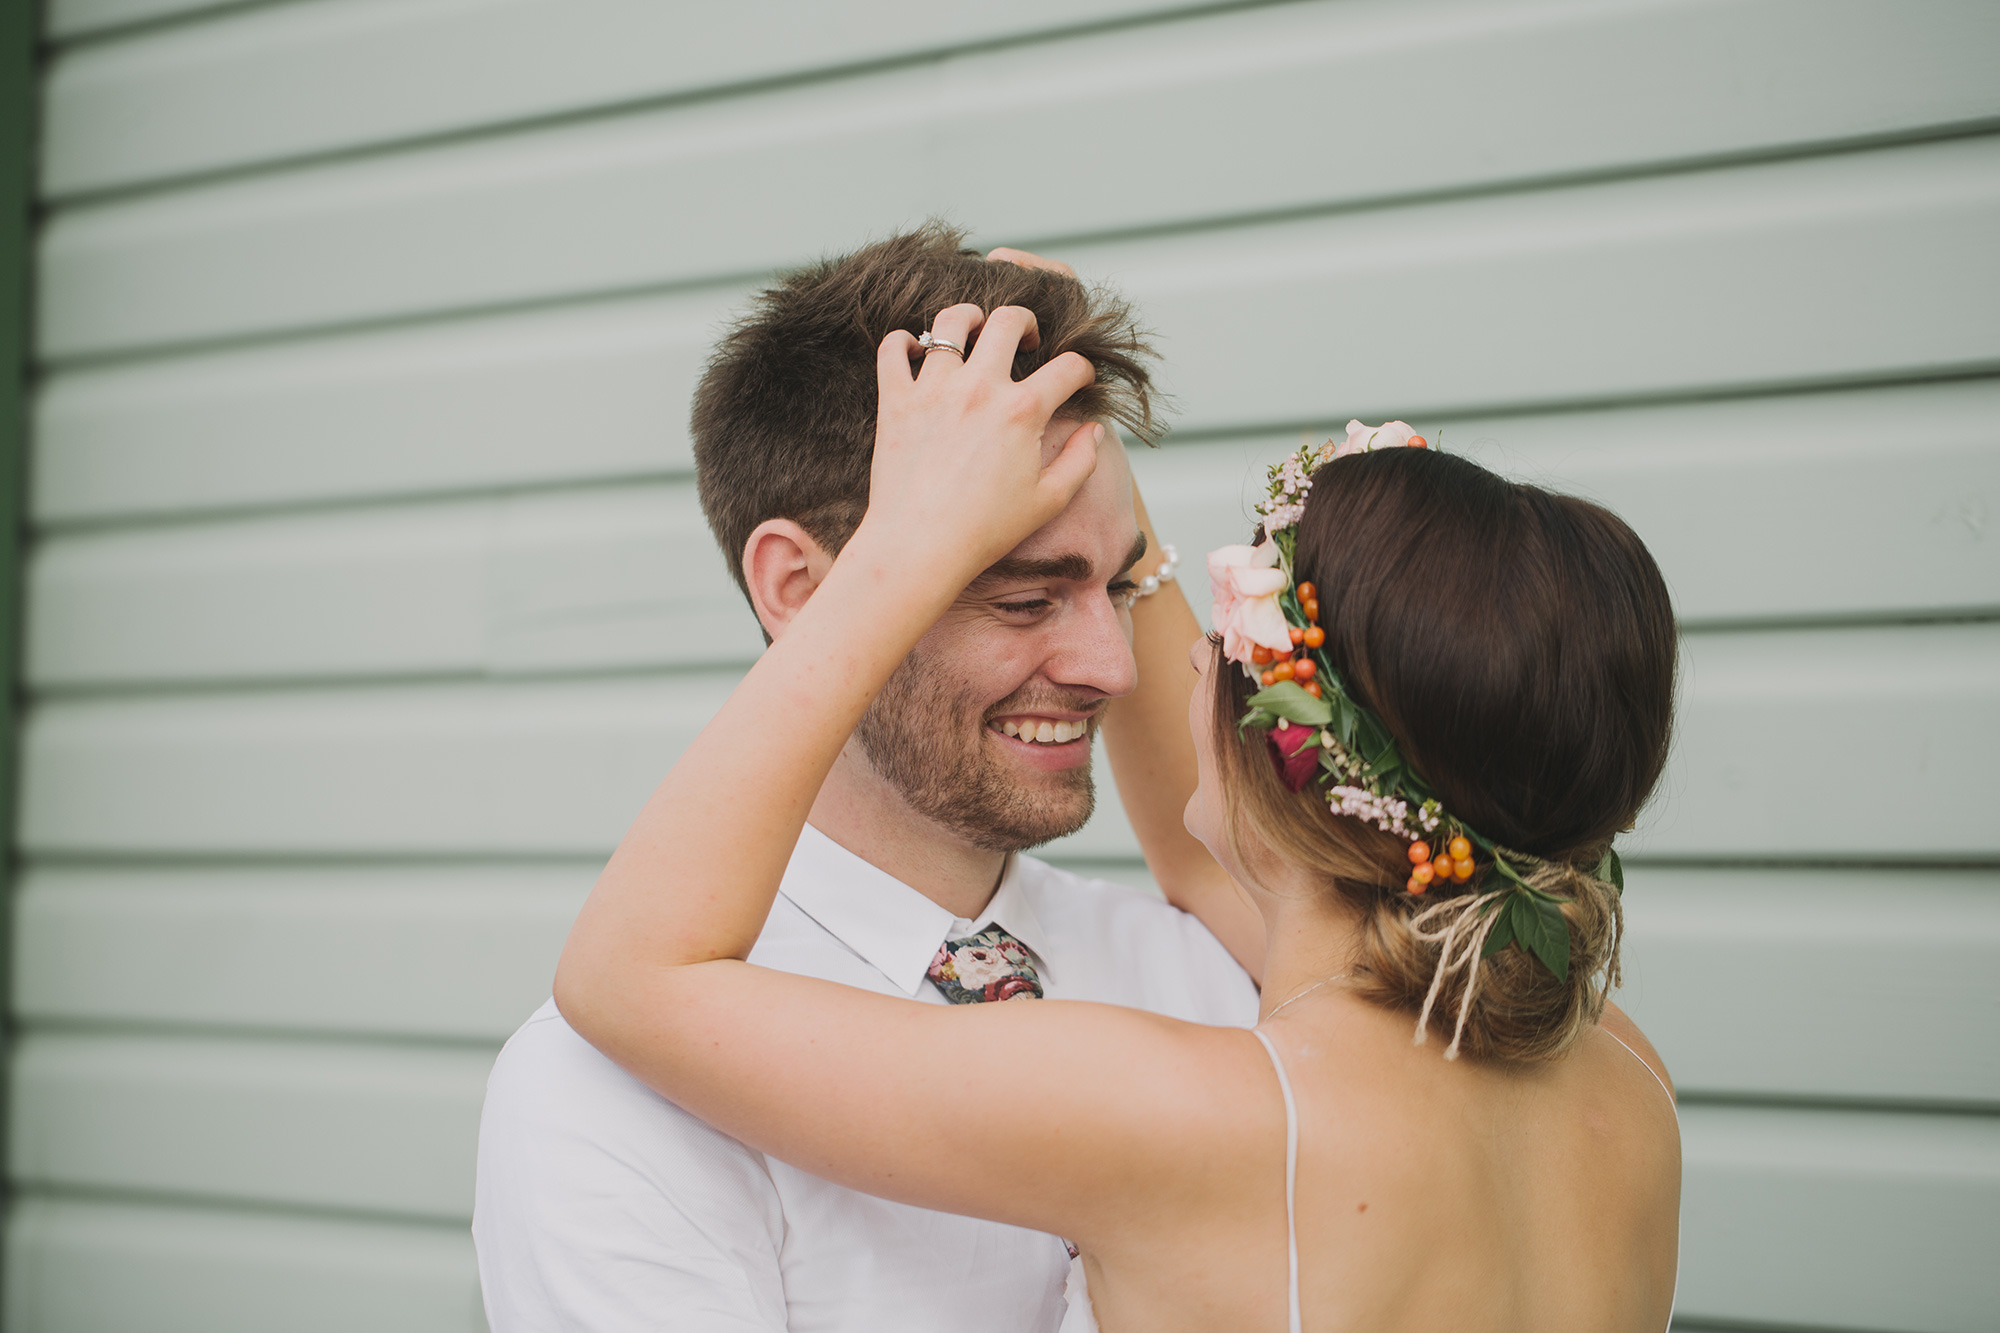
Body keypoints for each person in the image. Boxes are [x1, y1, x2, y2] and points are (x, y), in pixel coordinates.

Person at [552, 288, 1685, 1329]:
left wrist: (904, 549)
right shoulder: (1622, 1081)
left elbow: (631, 978)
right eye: (1035, 592)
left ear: (1280, 760)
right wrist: (1074, 417)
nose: (1147, 662)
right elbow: (1200, 863)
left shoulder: (1170, 1109)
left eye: (1224, 651)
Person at [472, 227, 1260, 1333]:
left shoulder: (1216, 968)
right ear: (801, 586)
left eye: (1117, 587)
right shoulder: (605, 1092)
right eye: (1023, 595)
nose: (1112, 669)